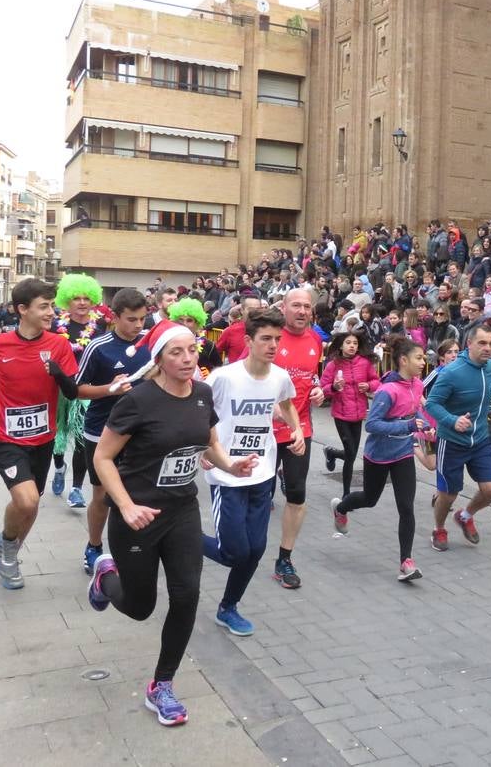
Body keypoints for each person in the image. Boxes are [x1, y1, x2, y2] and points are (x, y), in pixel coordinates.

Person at [88, 319, 253, 726]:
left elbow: (209, 442)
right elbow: (103, 458)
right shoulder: (137, 401)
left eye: (192, 350)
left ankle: (161, 685)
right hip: (138, 517)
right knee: (141, 608)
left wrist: (230, 463)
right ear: (158, 359)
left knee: (186, 596)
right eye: (175, 352)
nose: (186, 358)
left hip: (180, 511)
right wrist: (125, 506)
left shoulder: (202, 392)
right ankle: (105, 578)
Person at [0, 279, 80, 590]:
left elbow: (71, 390)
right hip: (5, 439)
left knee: (31, 505)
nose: (51, 312)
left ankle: (9, 554)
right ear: (22, 309)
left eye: (52, 306)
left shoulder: (58, 344)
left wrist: (57, 373)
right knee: (27, 501)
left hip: (42, 440)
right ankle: (7, 543)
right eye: (44, 307)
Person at [203, 308, 303, 636]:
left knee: (256, 549)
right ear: (248, 341)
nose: (273, 345)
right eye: (266, 339)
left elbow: (286, 403)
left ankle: (228, 608)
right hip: (227, 475)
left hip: (262, 473)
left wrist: (297, 429)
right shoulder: (223, 377)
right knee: (235, 552)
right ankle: (182, 537)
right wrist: (205, 451)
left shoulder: (279, 377)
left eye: (277, 339)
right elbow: (199, 415)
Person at [332, 337, 428, 582]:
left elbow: (416, 410)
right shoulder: (387, 391)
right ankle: (341, 507)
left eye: (424, 358)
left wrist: (426, 427)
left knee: (406, 508)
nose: (423, 362)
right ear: (403, 360)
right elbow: (372, 425)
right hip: (378, 456)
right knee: (369, 499)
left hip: (404, 453)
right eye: (419, 358)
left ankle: (406, 562)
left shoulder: (417, 385)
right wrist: (406, 424)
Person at [74, 288, 152, 575]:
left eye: (142, 318)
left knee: (136, 493)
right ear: (116, 317)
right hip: (102, 432)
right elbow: (77, 390)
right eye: (131, 319)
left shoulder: (150, 343)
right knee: (103, 495)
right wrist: (109, 389)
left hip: (141, 432)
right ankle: (94, 545)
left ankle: (130, 547)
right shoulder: (99, 346)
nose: (138, 325)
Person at [425, 323, 491, 551]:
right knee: (448, 494)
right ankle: (438, 528)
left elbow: (488, 396)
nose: (488, 348)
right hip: (451, 441)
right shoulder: (452, 372)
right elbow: (432, 404)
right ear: (469, 344)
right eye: (482, 343)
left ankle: (466, 515)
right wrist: (452, 420)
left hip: (479, 439)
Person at [270, 288, 326, 589]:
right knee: (257, 495)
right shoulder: (270, 337)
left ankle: (284, 558)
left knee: (297, 494)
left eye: (307, 306)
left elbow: (310, 376)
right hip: (264, 430)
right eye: (296, 306)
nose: (302, 311)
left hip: (299, 429)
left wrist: (317, 389)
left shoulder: (316, 340)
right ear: (284, 308)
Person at [51, 273, 106, 506]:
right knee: (59, 436)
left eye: (86, 298)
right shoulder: (56, 325)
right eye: (76, 298)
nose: (82, 303)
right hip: (61, 387)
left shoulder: (100, 324)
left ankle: (76, 489)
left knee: (83, 438)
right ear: (67, 301)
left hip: (86, 388)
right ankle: (59, 467)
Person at [320, 329, 380, 495]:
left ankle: (332, 452)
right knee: (352, 453)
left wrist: (368, 386)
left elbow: (376, 381)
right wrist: (333, 387)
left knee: (351, 453)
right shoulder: (333, 365)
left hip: (359, 414)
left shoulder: (364, 363)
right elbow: (322, 389)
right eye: (348, 343)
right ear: (340, 346)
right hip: (341, 414)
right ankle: (346, 493)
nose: (352, 346)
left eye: (355, 343)